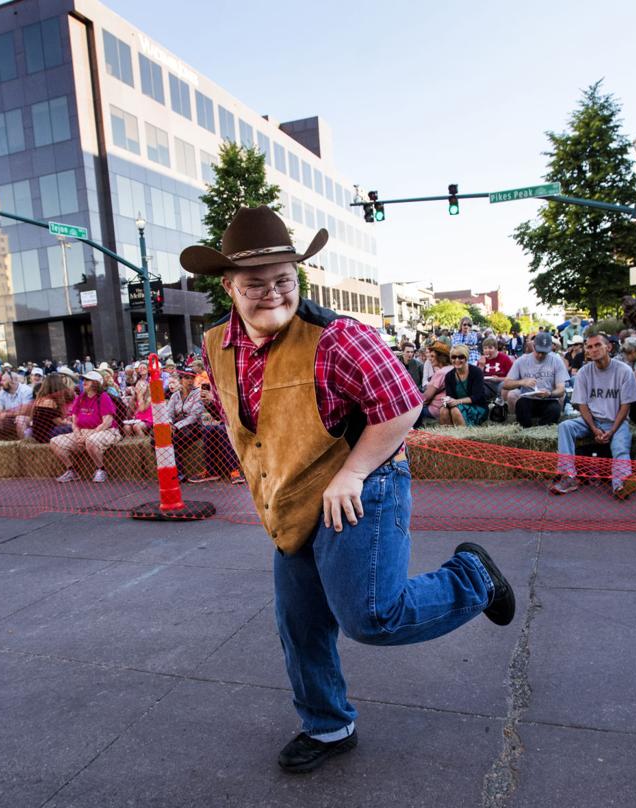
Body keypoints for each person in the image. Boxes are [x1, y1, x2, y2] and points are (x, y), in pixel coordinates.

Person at [180, 205, 513, 773]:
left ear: (298, 278)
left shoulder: (338, 336)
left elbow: (403, 405)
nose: (273, 293)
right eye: (255, 284)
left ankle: (472, 579)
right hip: (288, 497)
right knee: (301, 624)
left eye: (283, 280)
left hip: (363, 480)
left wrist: (353, 472)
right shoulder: (216, 346)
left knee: (372, 617)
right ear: (229, 286)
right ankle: (328, 727)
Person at [549, 334, 636, 499]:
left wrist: (612, 431)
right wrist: (593, 428)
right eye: (589, 347)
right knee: (565, 426)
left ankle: (620, 486)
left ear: (609, 348)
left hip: (616, 422)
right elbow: (582, 405)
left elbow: (626, 406)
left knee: (620, 448)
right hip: (591, 421)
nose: (593, 350)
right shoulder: (584, 372)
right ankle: (568, 476)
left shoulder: (624, 371)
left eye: (597, 345)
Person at [49, 370, 121, 483]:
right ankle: (71, 470)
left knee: (91, 441)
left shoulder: (103, 397)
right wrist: (77, 435)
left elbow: (107, 422)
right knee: (55, 442)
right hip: (82, 432)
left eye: (88, 380)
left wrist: (89, 434)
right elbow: (74, 420)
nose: (84, 382)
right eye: (84, 379)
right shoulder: (81, 397)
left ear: (96, 383)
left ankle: (101, 469)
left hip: (106, 431)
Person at [502, 331, 568, 427]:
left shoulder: (556, 361)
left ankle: (542, 429)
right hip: (528, 399)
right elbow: (506, 384)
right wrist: (522, 382)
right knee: (521, 405)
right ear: (533, 346)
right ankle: (526, 429)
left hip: (548, 400)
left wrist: (550, 394)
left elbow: (561, 389)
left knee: (555, 409)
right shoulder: (522, 360)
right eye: (538, 351)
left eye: (544, 352)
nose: (540, 355)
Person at [439, 344, 489, 426]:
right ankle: (447, 437)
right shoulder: (449, 375)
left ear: (466, 358)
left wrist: (457, 402)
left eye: (461, 357)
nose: (457, 360)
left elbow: (478, 396)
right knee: (443, 410)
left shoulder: (476, 372)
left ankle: (461, 436)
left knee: (455, 410)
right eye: (454, 357)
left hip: (477, 406)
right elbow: (450, 395)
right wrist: (447, 400)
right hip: (457, 405)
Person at [0, 372, 33, 440]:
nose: (0, 382)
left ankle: (26, 447)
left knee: (20, 419)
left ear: (13, 381)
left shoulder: (26, 390)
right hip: (8, 421)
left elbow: (25, 411)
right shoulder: (2, 393)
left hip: (28, 420)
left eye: (3, 380)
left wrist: (6, 414)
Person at [31, 372, 75, 443]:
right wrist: (74, 424)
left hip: (40, 433)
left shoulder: (41, 399)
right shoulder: (49, 402)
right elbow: (59, 422)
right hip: (46, 434)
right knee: (75, 428)